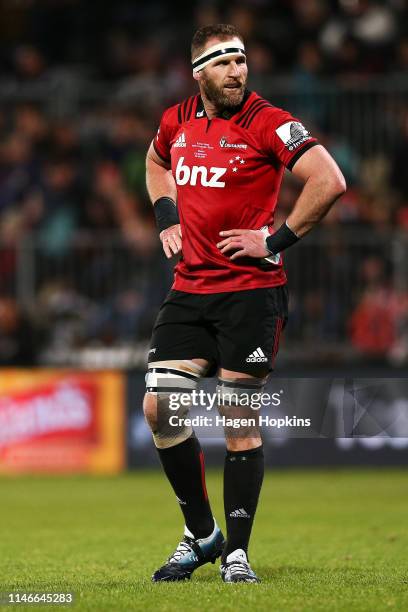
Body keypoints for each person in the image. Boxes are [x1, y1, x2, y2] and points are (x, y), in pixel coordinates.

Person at [144, 23, 346, 583]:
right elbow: (155, 162)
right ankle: (203, 534)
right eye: (224, 61)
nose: (237, 70)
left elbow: (329, 180)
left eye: (241, 60)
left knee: (238, 417)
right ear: (198, 73)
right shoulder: (176, 120)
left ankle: (237, 551)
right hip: (189, 289)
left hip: (251, 295)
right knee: (161, 408)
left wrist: (274, 241)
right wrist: (168, 218)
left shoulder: (270, 122)